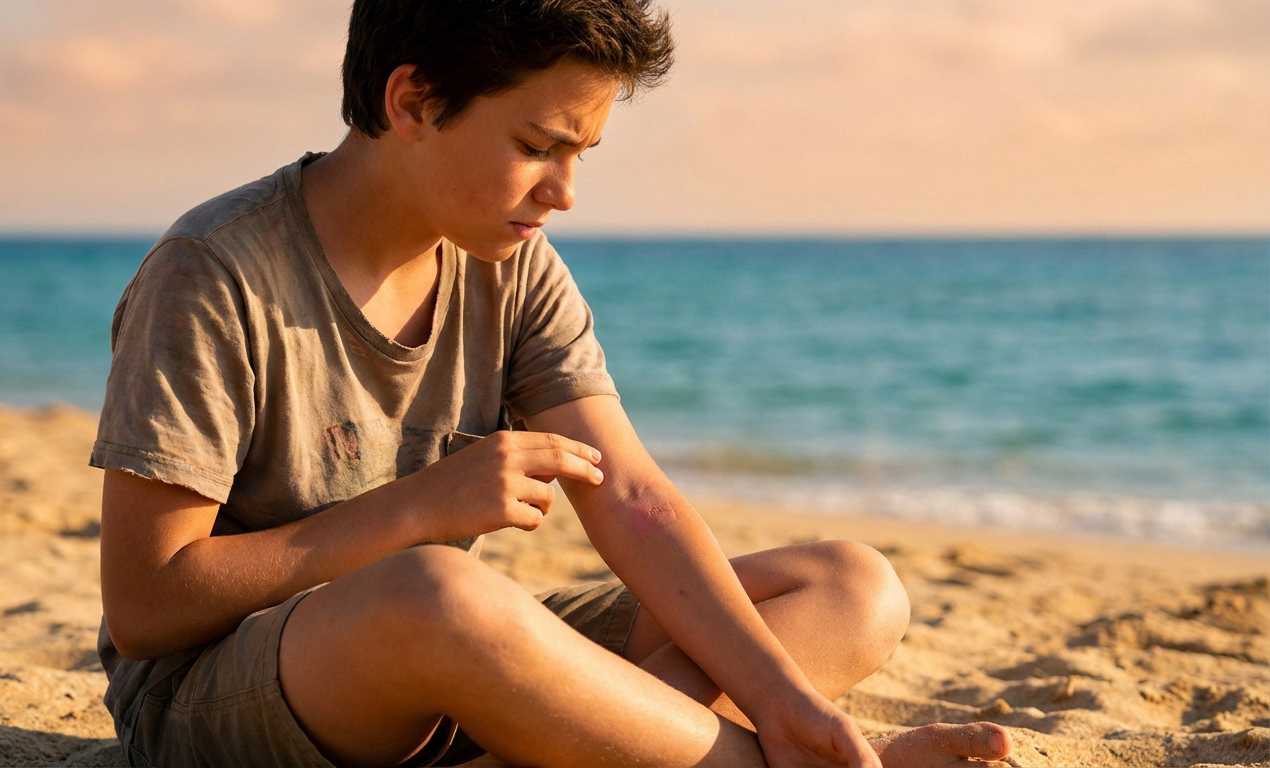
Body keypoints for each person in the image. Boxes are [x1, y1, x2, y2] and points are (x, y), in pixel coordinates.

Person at [91, 1, 1015, 765]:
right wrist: (417, 508)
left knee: (852, 586)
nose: (564, 191)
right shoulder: (213, 274)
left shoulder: (513, 266)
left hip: (451, 671)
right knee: (439, 592)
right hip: (222, 697)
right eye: (539, 144)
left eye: (584, 154)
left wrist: (782, 700)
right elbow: (146, 608)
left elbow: (634, 496)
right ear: (413, 102)